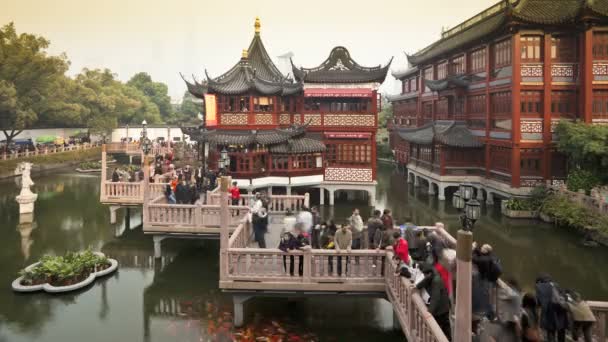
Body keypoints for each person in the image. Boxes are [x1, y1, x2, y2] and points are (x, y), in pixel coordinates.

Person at [416, 264, 451, 341]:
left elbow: (436, 297)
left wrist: (430, 311)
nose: (424, 276)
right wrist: (417, 286)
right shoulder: (432, 275)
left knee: (443, 327)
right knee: (444, 327)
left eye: (425, 275)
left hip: (442, 308)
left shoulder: (436, 281)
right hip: (442, 307)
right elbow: (425, 281)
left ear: (429, 274)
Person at [535, 273, 568, 342]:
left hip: (549, 313)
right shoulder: (556, 285)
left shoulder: (539, 287)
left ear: (540, 281)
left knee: (550, 332)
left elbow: (538, 303)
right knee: (561, 332)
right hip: (561, 312)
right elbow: (565, 297)